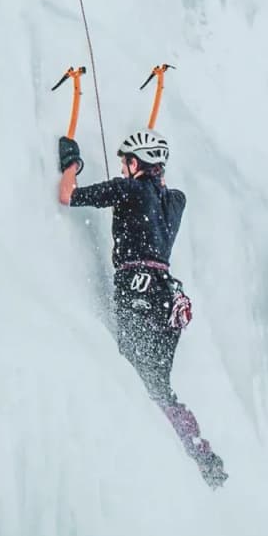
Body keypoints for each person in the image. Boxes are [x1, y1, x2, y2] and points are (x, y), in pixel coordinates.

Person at [58, 129, 227, 487]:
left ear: (137, 164)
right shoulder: (175, 200)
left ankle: (168, 460)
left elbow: (68, 196)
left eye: (125, 162)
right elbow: (156, 192)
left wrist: (71, 164)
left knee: (136, 380)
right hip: (168, 298)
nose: (121, 169)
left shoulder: (128, 189)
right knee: (158, 386)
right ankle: (200, 454)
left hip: (138, 290)